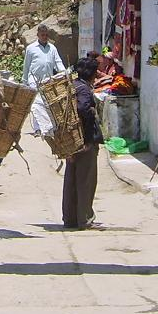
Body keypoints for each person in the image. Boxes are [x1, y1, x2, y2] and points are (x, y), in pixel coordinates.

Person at [63, 55, 102, 229]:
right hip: (85, 142)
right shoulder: (85, 90)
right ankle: (84, 218)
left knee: (71, 181)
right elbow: (83, 109)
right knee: (85, 181)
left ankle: (69, 218)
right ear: (91, 74)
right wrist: (87, 139)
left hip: (71, 141)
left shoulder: (73, 86)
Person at [23, 25, 65, 136]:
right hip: (34, 80)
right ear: (38, 35)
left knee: (47, 104)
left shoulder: (52, 48)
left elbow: (58, 62)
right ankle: (38, 129)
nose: (45, 37)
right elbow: (26, 66)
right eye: (42, 35)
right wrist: (25, 80)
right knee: (36, 104)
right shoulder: (31, 48)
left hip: (48, 80)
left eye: (46, 35)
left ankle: (47, 127)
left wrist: (64, 73)